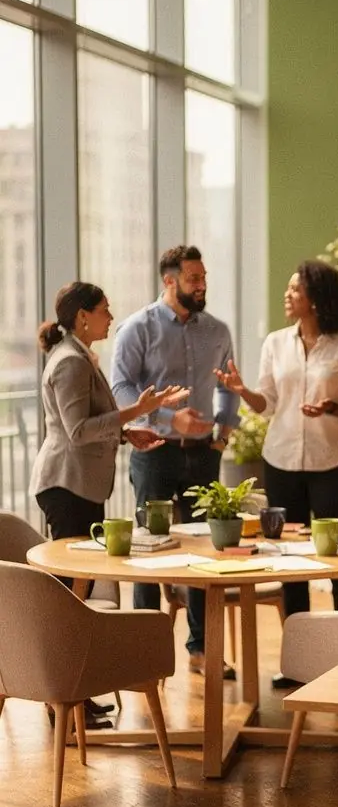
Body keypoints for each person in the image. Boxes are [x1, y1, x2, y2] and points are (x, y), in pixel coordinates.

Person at [30, 281, 187, 728]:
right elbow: (77, 431)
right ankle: (62, 700)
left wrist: (124, 432)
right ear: (82, 316)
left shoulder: (79, 356)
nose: (111, 317)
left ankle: (73, 694)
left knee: (75, 595)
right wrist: (136, 411)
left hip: (80, 485)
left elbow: (87, 424)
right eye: (104, 309)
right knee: (67, 597)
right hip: (67, 485)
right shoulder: (70, 362)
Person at [215, 260, 338, 633]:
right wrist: (242, 391)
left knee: (336, 557)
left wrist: (332, 408)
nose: (286, 295)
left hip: (332, 463)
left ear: (315, 299)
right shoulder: (275, 343)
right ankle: (297, 643)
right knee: (289, 556)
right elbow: (267, 404)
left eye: (294, 290)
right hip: (281, 461)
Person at [110, 245, 240, 674]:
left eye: (203, 278)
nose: (201, 286)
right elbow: (121, 390)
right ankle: (146, 656)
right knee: (149, 548)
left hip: (203, 456)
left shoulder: (217, 330)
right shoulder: (137, 328)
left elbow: (228, 385)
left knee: (205, 550)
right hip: (154, 453)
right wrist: (168, 418)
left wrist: (223, 432)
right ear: (170, 281)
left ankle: (202, 649)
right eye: (193, 279)